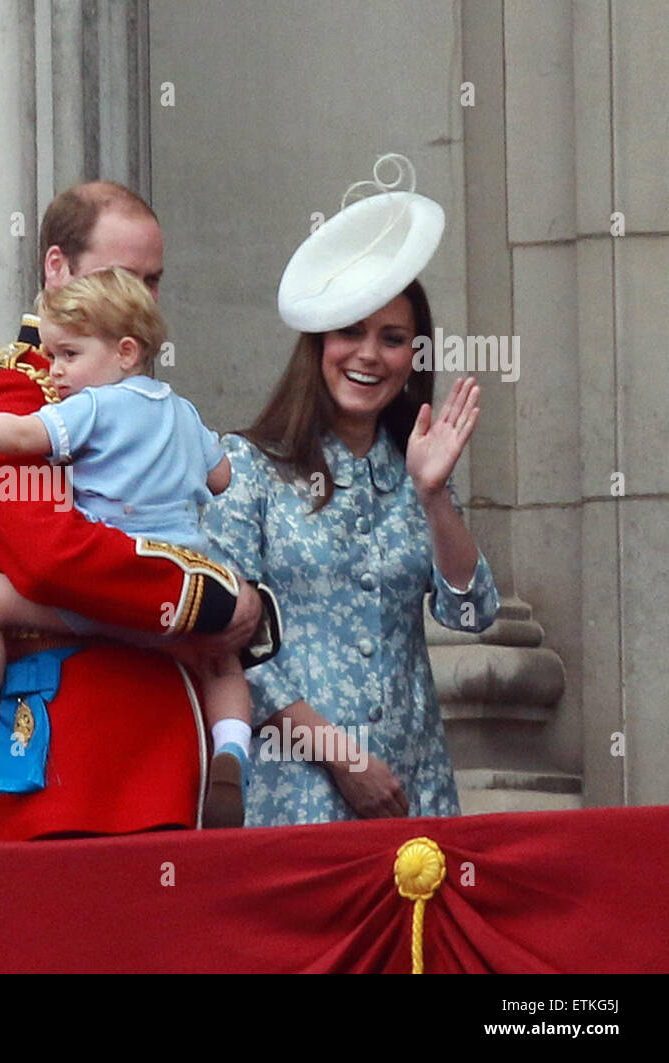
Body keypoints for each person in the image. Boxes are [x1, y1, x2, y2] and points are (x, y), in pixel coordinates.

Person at [0, 181, 277, 839]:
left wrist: (246, 597)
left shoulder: (144, 396)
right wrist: (208, 599)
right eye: (123, 276)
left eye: (152, 281)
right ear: (57, 269)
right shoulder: (14, 392)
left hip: (168, 730)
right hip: (70, 737)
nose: (141, 301)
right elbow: (51, 558)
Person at [202, 156, 500, 825]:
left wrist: (434, 494)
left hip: (411, 787)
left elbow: (473, 612)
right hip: (294, 790)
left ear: (413, 356)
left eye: (393, 339)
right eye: (351, 332)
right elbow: (223, 638)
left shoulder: (416, 470)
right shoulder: (246, 466)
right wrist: (341, 755)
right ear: (318, 344)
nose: (369, 354)